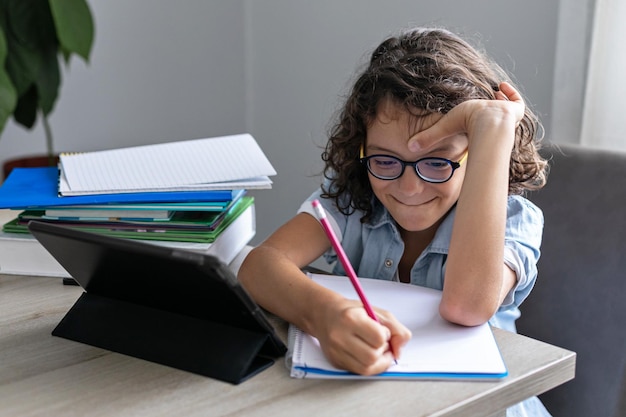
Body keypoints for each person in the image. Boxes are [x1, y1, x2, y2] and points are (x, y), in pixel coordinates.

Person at [238, 27, 550, 416]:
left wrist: (494, 129)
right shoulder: (354, 198)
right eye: (385, 160)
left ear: (479, 157)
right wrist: (323, 314)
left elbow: (467, 307)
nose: (409, 187)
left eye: (437, 162)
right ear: (361, 149)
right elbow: (260, 266)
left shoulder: (514, 219)